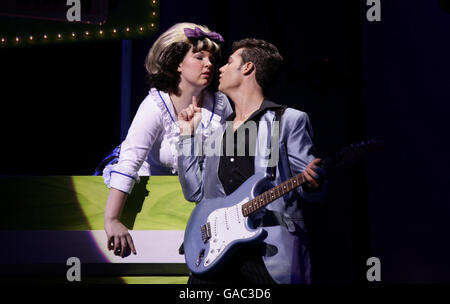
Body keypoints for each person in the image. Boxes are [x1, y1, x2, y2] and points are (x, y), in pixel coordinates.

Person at [177, 38, 327, 284]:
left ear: (247, 68)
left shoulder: (288, 120)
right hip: (217, 253)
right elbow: (195, 192)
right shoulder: (218, 132)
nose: (220, 69)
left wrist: (312, 182)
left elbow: (312, 189)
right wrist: (186, 135)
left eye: (228, 62)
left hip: (268, 251)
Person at [103, 23, 233, 258]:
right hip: (148, 198)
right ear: (177, 63)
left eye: (212, 58)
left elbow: (225, 165)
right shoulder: (155, 105)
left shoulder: (221, 105)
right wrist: (112, 220)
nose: (209, 64)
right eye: (200, 56)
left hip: (191, 201)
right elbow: (129, 162)